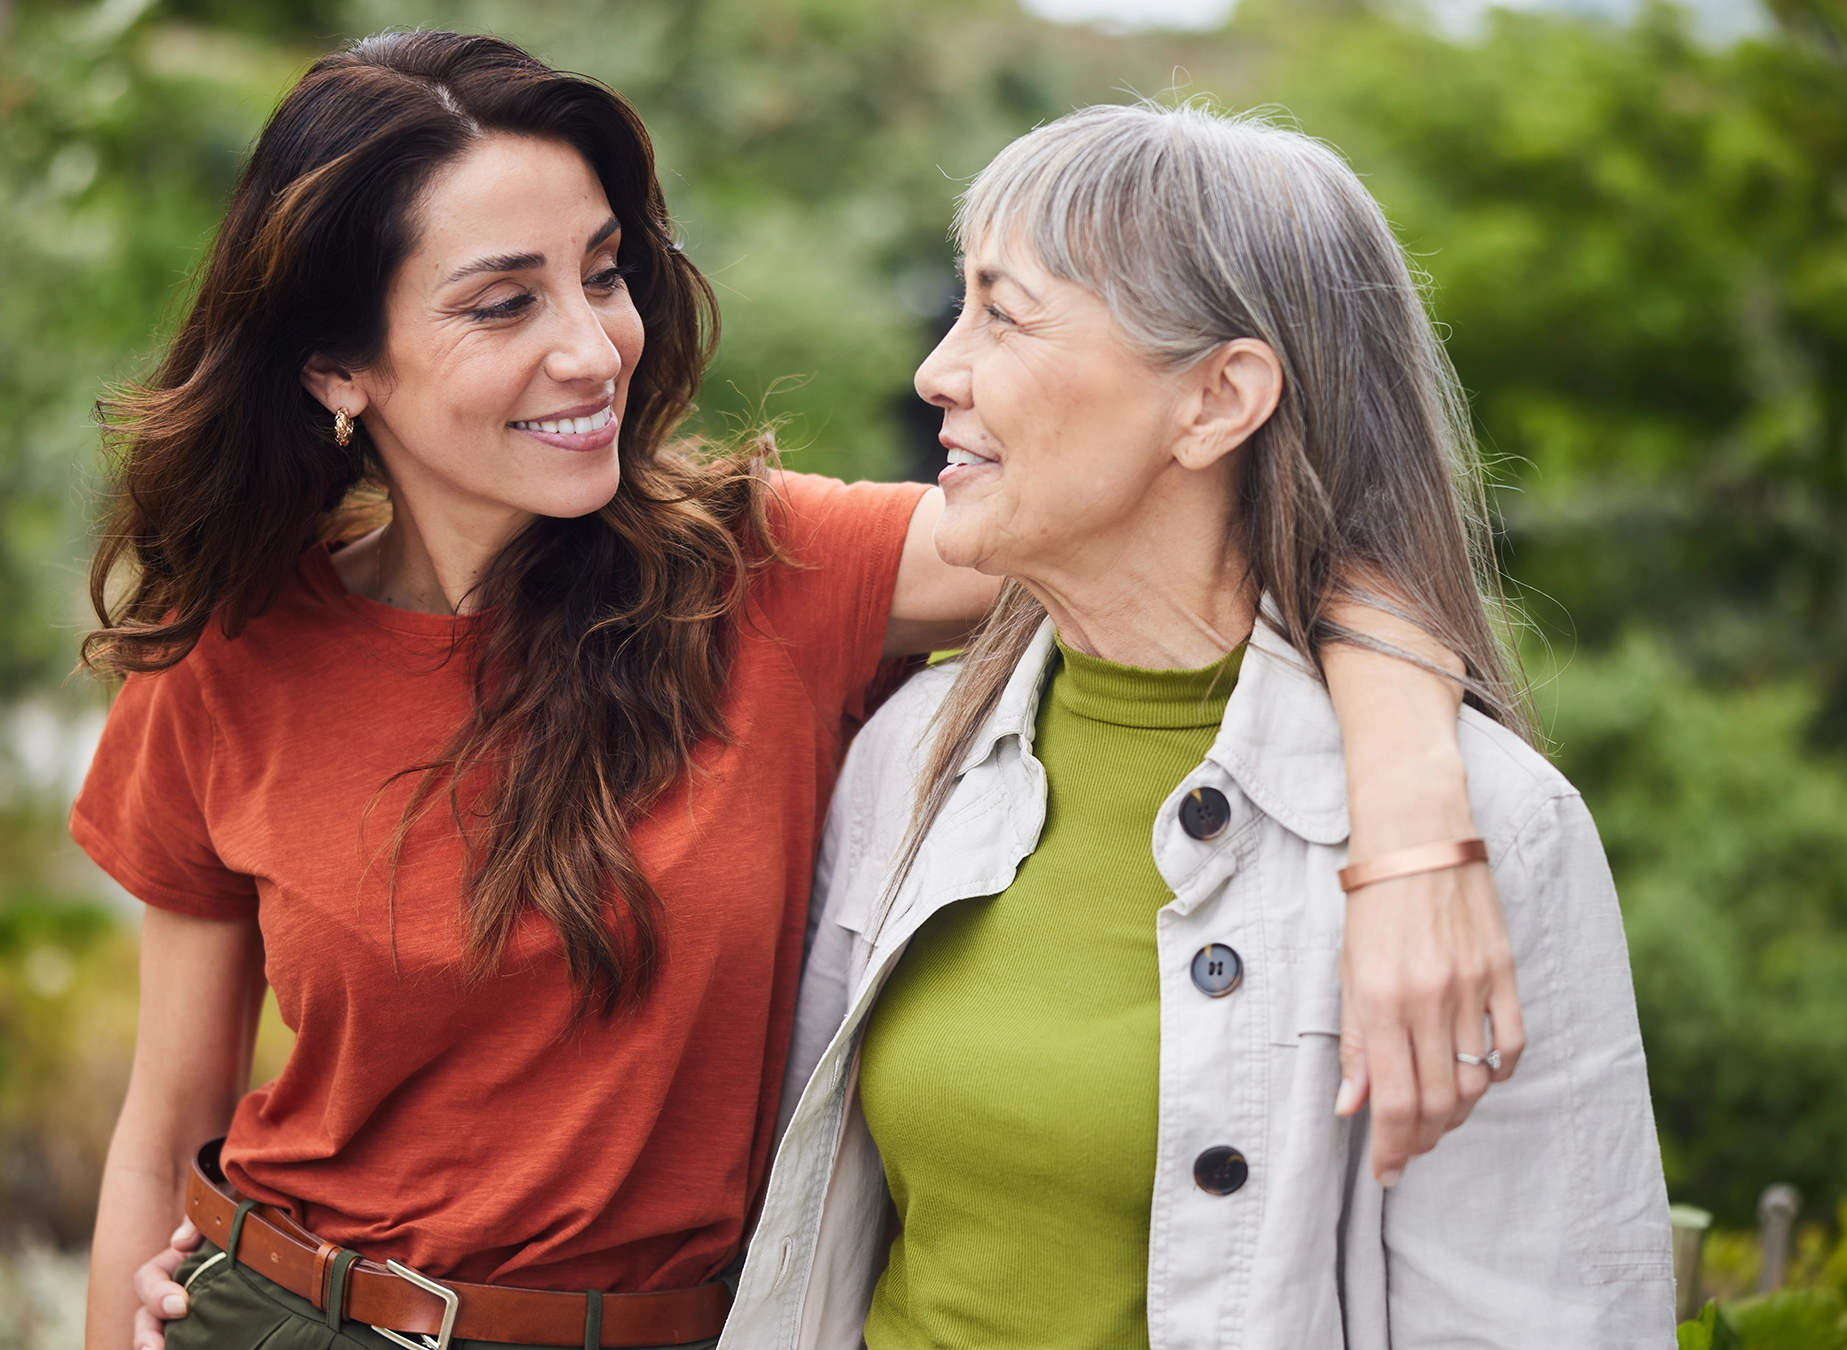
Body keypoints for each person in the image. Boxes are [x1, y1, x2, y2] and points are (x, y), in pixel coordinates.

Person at [85, 33, 1524, 1350]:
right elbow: (167, 1125)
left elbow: (1268, 521)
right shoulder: (229, 653)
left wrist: (1412, 831)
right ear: (339, 365)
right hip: (276, 1314)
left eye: (604, 271)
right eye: (501, 302)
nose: (592, 346)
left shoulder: (767, 572)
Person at [724, 103, 1672, 1350]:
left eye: (1004, 316)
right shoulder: (912, 756)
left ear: (1217, 400)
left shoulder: (1485, 829)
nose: (937, 370)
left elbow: (1539, 1319)